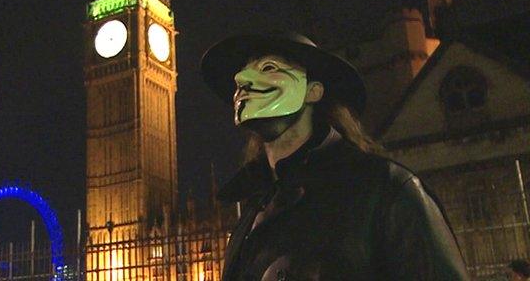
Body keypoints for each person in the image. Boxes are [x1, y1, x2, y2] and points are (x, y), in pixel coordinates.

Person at [200, 32, 469, 280]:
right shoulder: (253, 209)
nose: (241, 80)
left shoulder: (384, 188)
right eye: (242, 73)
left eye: (269, 68)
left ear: (314, 91)